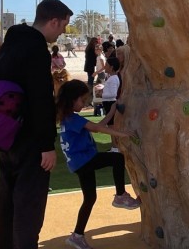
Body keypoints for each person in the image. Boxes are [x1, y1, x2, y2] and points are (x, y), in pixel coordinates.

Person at [0, 0, 73, 249]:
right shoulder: (36, 49)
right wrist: (47, 145)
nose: (62, 32)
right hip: (29, 140)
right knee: (29, 207)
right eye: (63, 26)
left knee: (6, 202)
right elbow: (40, 99)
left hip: (5, 135)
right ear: (53, 21)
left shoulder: (11, 43)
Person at [56, 79, 139, 249]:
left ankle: (77, 235)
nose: (84, 103)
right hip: (84, 160)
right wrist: (121, 134)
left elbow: (96, 126)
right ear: (73, 99)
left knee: (90, 198)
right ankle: (120, 195)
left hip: (79, 163)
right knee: (116, 158)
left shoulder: (69, 119)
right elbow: (96, 129)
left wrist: (112, 113)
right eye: (82, 100)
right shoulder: (72, 119)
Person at [101, 57, 121, 153]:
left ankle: (116, 147)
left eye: (107, 65)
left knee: (112, 127)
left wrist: (102, 94)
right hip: (108, 103)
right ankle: (114, 146)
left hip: (110, 103)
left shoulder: (113, 79)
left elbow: (114, 94)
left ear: (111, 67)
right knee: (111, 126)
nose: (105, 67)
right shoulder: (112, 78)